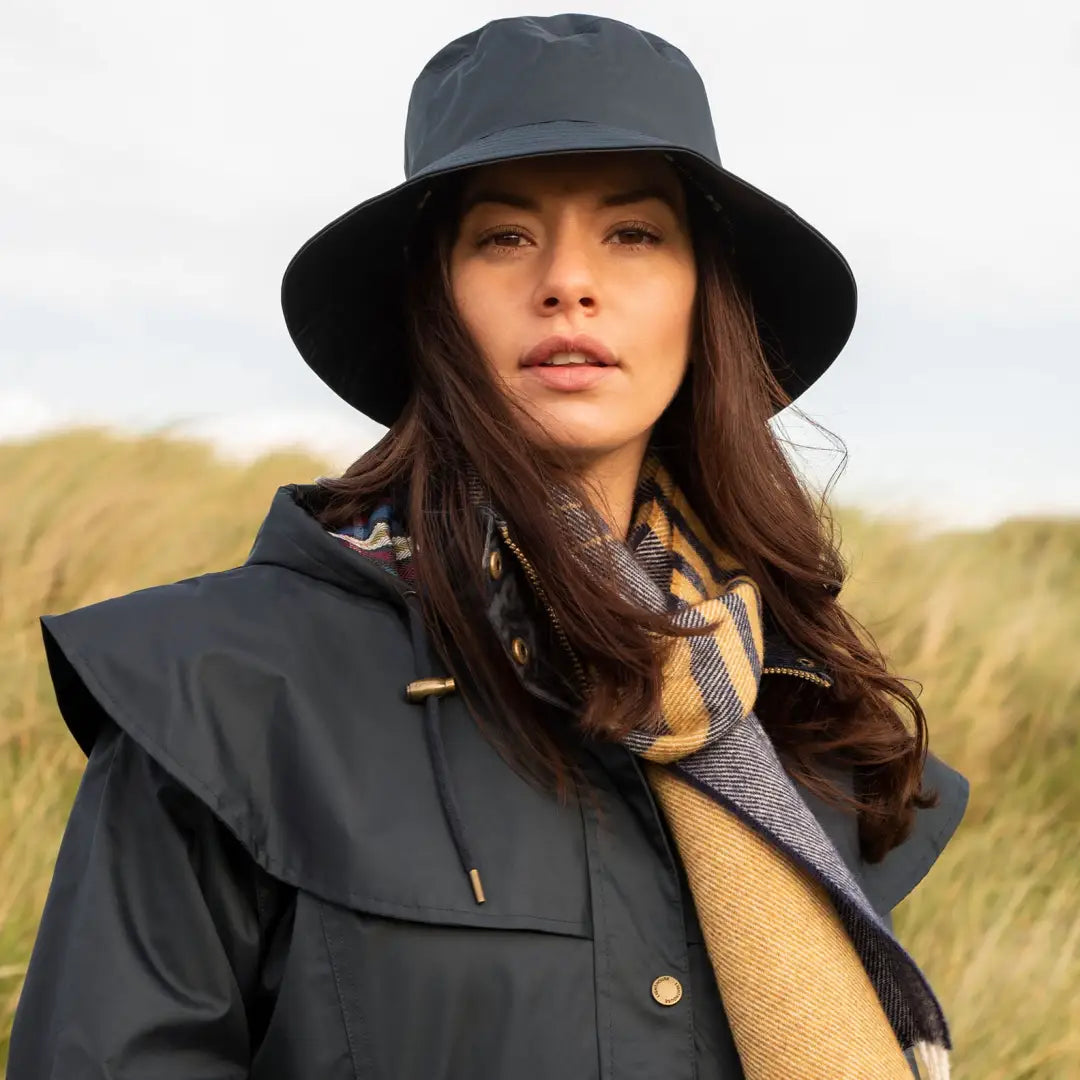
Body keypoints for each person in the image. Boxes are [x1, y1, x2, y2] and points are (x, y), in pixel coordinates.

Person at [9, 13, 968, 1080]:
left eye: (634, 235)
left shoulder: (807, 729)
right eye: (504, 236)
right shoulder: (217, 691)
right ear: (436, 301)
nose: (567, 280)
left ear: (707, 302)